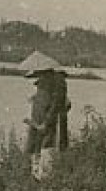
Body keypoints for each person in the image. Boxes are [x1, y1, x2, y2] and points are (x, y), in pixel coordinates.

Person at [20, 51, 71, 180]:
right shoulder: (44, 83)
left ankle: (47, 182)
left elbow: (57, 105)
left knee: (49, 153)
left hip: (50, 124)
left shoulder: (58, 82)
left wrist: (46, 123)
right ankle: (38, 179)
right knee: (36, 154)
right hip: (38, 124)